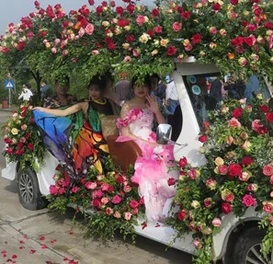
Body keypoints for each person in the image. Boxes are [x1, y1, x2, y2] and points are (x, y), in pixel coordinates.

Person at [116, 74, 177, 222]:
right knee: (153, 159)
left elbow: (163, 127)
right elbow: (125, 132)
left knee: (168, 150)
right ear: (133, 87)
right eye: (137, 85)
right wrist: (147, 144)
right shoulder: (127, 105)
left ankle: (170, 196)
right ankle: (157, 204)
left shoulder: (153, 102)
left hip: (152, 136)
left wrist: (156, 111)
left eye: (144, 85)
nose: (141, 89)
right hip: (134, 140)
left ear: (150, 87)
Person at [34, 75, 120, 177]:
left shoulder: (110, 103)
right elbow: (64, 112)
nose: (93, 93)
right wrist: (43, 110)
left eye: (96, 90)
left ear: (102, 90)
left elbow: (117, 118)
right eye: (91, 89)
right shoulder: (84, 104)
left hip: (108, 137)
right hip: (90, 139)